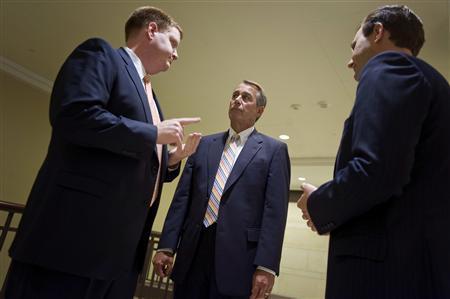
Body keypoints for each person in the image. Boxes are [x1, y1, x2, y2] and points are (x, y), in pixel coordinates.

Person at [5, 6, 201, 299]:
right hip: (72, 241)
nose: (176, 54)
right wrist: (152, 134)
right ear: (151, 30)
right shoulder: (101, 55)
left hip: (120, 255)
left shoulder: (153, 97)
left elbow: (134, 156)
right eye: (173, 43)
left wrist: (169, 160)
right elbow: (74, 116)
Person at [297, 5, 450, 299]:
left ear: (378, 31)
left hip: (381, 275)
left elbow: (377, 170)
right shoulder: (435, 84)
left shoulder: (388, 66)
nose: (349, 60)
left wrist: (319, 203)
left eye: (354, 45)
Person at [152, 80, 290, 299]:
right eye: (235, 95)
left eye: (246, 97)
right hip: (192, 252)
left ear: (259, 111)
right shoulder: (203, 145)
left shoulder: (274, 151)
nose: (237, 99)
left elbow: (275, 212)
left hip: (238, 260)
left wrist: (266, 266)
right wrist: (167, 246)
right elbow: (182, 199)